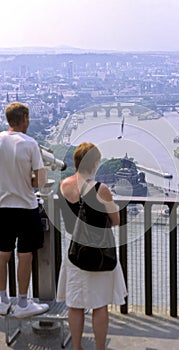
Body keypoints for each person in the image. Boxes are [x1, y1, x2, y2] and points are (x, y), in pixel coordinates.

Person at [56, 142, 127, 350]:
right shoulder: (101, 189)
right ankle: (99, 348)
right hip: (100, 253)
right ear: (94, 163)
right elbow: (115, 220)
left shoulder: (64, 186)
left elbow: (69, 223)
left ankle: (77, 346)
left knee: (75, 304)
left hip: (75, 252)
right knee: (99, 305)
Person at [0, 102, 49, 318]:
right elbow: (39, 181)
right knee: (25, 255)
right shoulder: (30, 144)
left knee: (2, 254)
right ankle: (22, 302)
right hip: (26, 207)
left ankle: (1, 300)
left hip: (2, 207)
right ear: (25, 119)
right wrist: (27, 178)